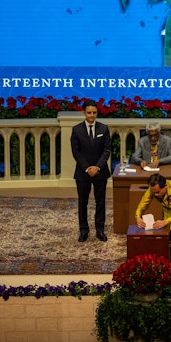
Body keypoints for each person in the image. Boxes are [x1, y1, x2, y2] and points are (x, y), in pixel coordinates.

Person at [71, 100, 111, 242]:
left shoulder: (104, 129)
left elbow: (106, 151)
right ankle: (84, 231)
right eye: (89, 113)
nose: (92, 115)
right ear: (84, 113)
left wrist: (97, 167)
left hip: (100, 171)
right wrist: (87, 168)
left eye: (94, 113)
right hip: (83, 173)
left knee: (100, 202)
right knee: (83, 202)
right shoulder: (76, 130)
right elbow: (76, 152)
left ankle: (100, 230)